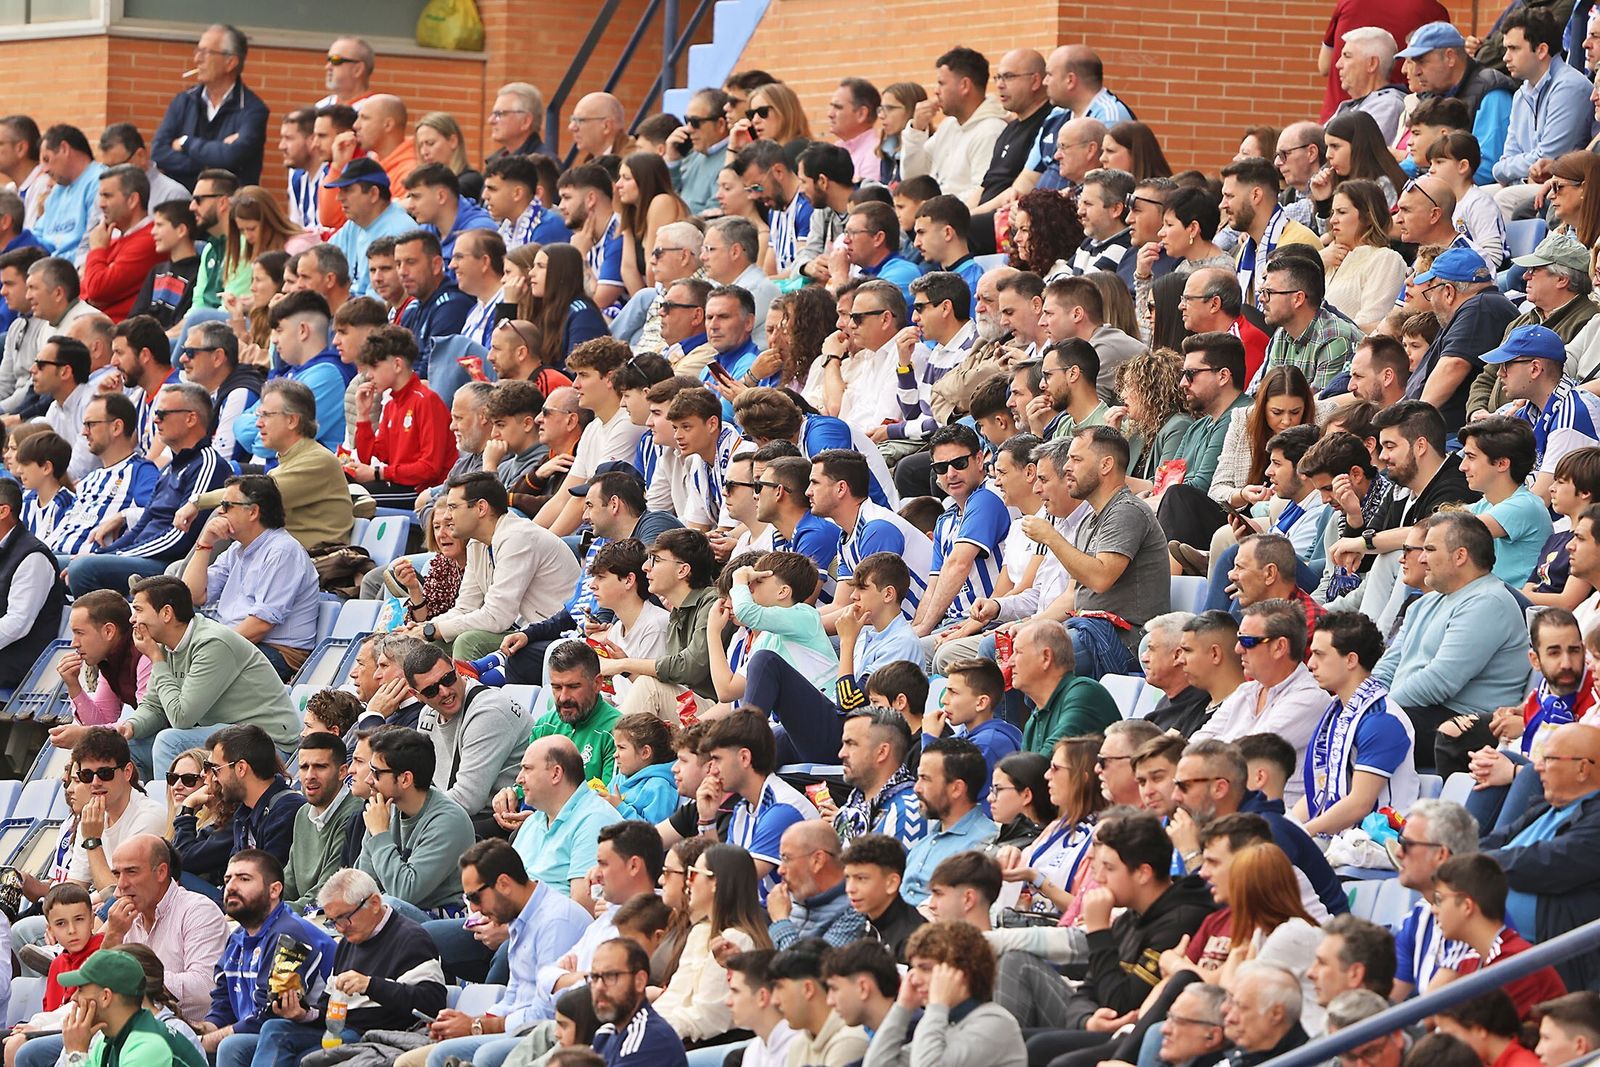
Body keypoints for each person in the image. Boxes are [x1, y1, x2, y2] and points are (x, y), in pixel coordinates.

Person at [1372, 512, 1535, 772]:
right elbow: (1388, 666)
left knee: (1369, 733)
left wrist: (1376, 711)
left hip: (1462, 725)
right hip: (1417, 710)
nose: (1422, 558)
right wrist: (1362, 702)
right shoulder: (1424, 602)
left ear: (1460, 556)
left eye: (1429, 549)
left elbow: (1439, 681)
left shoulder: (1488, 601)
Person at [415, 839, 594, 1067]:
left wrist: (475, 1027)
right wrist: (471, 1022)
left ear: (504, 884)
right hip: (517, 1027)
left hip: (544, 1035)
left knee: (447, 1056)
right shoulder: (524, 916)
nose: (474, 909)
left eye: (474, 897)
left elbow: (548, 1013)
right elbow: (513, 996)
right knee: (422, 1054)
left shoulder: (556, 922)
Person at [247, 867, 450, 1067]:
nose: (340, 928)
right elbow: (328, 1006)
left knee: (301, 1053)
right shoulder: (348, 942)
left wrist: (370, 985)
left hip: (376, 1036)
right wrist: (303, 1014)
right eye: (333, 921)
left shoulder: (411, 938)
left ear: (374, 903)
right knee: (268, 1030)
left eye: (344, 918)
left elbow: (431, 1002)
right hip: (339, 1029)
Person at [1479, 723, 1600, 992]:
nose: (1538, 768)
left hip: (1549, 966)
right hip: (1493, 949)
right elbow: (1489, 843)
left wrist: (1484, 865)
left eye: (1549, 759)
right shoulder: (1543, 808)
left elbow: (1551, 864)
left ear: (1583, 768)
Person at [200, 849, 336, 1067]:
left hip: (316, 1030)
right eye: (228, 879)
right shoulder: (236, 939)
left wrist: (210, 1040)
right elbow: (223, 1003)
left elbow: (273, 1011)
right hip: (261, 1030)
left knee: (229, 1045)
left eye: (244, 879)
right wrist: (201, 1030)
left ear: (274, 890)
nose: (231, 886)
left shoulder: (291, 934)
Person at [178, 475, 318, 679]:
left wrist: (211, 649)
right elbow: (193, 596)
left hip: (275, 651)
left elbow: (261, 624)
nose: (219, 511)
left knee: (194, 670)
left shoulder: (282, 551)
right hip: (236, 639)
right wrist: (205, 543)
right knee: (169, 622)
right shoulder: (237, 549)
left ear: (253, 512)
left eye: (227, 505)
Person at [1299, 612, 1420, 837]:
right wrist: (1288, 826)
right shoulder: (1337, 712)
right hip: (1341, 837)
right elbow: (1321, 791)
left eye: (1319, 655)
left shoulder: (1382, 720)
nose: (1310, 664)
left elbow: (1359, 804)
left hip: (1377, 843)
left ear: (1351, 660)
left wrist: (1303, 833)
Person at [97, 835, 231, 1021]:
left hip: (184, 1033)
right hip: (130, 1026)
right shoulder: (123, 919)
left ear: (161, 872)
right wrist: (113, 936)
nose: (121, 885)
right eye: (117, 874)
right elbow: (97, 987)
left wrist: (134, 979)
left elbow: (205, 988)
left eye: (132, 872)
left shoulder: (198, 910)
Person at [863, 920, 1025, 1067]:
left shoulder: (995, 1024)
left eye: (925, 968)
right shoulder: (944, 1022)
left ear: (962, 972)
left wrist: (937, 1006)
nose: (915, 979)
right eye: (914, 968)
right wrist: (902, 1008)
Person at [356, 725, 476, 918]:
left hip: (443, 919)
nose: (369, 780)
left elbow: (405, 893)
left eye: (376, 773)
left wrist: (379, 834)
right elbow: (362, 883)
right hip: (398, 915)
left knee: (388, 905)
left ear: (405, 779)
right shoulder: (385, 808)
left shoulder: (448, 822)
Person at [403, 641, 528, 825]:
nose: (444, 692)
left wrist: (408, 812)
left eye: (448, 679)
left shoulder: (488, 712)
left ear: (456, 668)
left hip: (502, 817)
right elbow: (423, 781)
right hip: (461, 813)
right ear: (416, 696)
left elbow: (467, 800)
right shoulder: (427, 715)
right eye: (431, 690)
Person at [1428, 853, 1568, 1017]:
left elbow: (1477, 1036)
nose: (1433, 909)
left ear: (1467, 905)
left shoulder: (1515, 964)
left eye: (1439, 899)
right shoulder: (1470, 961)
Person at [1490, 9, 1594, 219]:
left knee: (1502, 199)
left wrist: (1508, 170)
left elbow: (1550, 156)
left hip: (1563, 189)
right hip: (1523, 184)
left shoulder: (1570, 87)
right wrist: (1513, 170)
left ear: (1541, 50)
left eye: (1513, 48)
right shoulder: (1521, 94)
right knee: (1474, 198)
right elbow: (1503, 161)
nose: (1505, 57)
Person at [498, 734, 625, 906]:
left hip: (549, 928)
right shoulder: (533, 821)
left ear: (556, 773)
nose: (519, 779)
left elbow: (583, 909)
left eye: (527, 769)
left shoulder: (595, 821)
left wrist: (508, 925)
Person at [349, 324, 457, 504]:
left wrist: (378, 473)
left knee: (351, 499)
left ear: (397, 364)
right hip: (400, 484)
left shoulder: (426, 400)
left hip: (425, 492)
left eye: (374, 367)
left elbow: (430, 468)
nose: (368, 375)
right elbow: (371, 456)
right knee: (340, 487)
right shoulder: (392, 404)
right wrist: (363, 416)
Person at [150, 24, 268, 188]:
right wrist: (212, 164)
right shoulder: (184, 101)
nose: (197, 59)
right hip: (182, 205)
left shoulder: (252, 110)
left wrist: (186, 143)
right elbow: (159, 152)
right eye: (197, 51)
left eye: (206, 53)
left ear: (230, 62)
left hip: (229, 208)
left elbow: (232, 157)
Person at [55, 948, 208, 1067]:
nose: (74, 998)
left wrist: (76, 1053)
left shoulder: (149, 1045)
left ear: (105, 997)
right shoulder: (106, 1039)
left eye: (81, 989)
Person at [900, 47, 1008, 202]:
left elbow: (981, 192)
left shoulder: (991, 130)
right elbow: (913, 177)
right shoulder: (948, 125)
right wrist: (916, 130)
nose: (936, 91)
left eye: (941, 83)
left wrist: (934, 206)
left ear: (964, 85)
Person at [1457, 415, 1553, 585]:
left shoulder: (1525, 506)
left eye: (1471, 457)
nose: (1462, 466)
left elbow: (1450, 534)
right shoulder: (1486, 504)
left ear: (1502, 464)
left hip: (1516, 607)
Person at [902, 738, 999, 904]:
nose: (916, 788)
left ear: (956, 788)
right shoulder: (925, 843)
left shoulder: (985, 845)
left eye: (925, 778)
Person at [1219, 158, 1319, 309]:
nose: (1222, 204)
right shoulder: (1245, 251)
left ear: (1256, 195)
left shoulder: (1299, 243)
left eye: (1230, 196)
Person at [1009, 618, 1119, 754]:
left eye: (1018, 652)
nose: (1010, 662)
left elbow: (1046, 762)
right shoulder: (1034, 719)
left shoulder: (1084, 694)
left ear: (1046, 657)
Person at [282, 732, 361, 913]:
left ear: (342, 772)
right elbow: (289, 882)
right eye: (304, 767)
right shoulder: (303, 814)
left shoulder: (353, 813)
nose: (310, 775)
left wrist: (269, 913)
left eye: (320, 766)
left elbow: (326, 893)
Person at [591, 938, 689, 1067]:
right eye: (594, 977)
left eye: (610, 976)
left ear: (640, 981)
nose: (599, 987)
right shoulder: (604, 1035)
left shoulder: (651, 1039)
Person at [82, 165, 160, 322]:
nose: (101, 204)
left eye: (107, 196)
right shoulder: (111, 238)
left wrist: (97, 250)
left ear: (132, 200)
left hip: (116, 334)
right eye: (101, 196)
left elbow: (96, 290)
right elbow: (86, 293)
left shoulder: (150, 240)